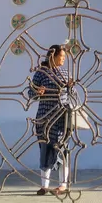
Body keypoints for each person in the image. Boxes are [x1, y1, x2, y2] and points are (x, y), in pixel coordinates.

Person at [29, 44, 70, 195]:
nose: (63, 60)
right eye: (62, 57)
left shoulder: (65, 73)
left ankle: (63, 185)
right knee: (45, 149)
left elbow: (71, 93)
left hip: (61, 117)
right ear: (52, 56)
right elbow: (30, 92)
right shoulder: (41, 73)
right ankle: (44, 185)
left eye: (65, 57)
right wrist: (37, 92)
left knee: (61, 150)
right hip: (45, 117)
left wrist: (70, 87)